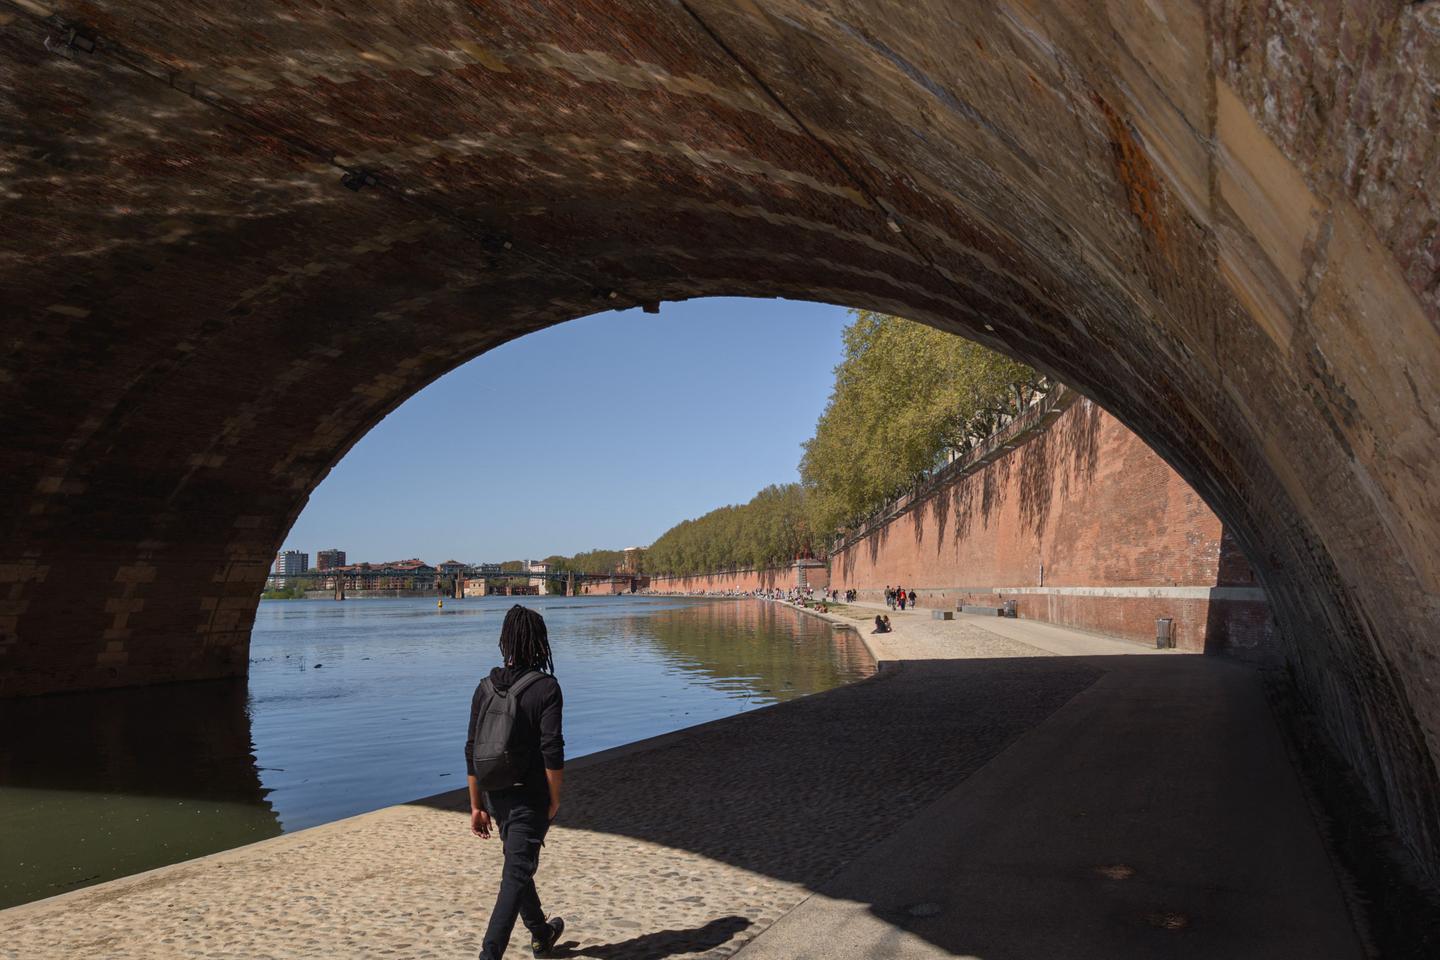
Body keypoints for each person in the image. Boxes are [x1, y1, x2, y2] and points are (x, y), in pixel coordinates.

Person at [466, 605, 567, 959]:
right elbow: (552, 750)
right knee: (514, 876)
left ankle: (541, 933)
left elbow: (471, 749)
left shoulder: (485, 687)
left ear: (505, 640)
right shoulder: (546, 688)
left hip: (496, 794)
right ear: (540, 643)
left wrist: (477, 805)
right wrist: (554, 799)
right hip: (530, 798)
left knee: (517, 863)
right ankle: (489, 955)